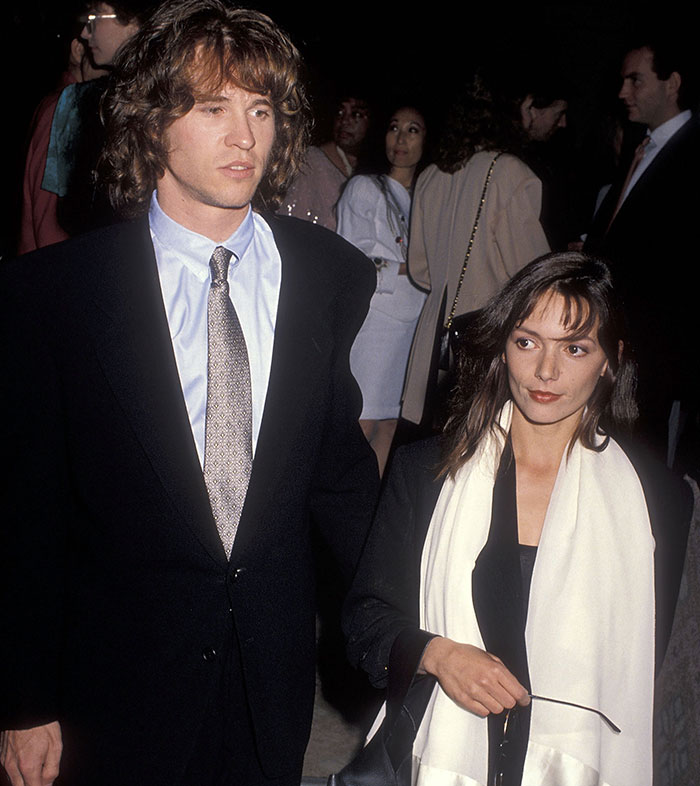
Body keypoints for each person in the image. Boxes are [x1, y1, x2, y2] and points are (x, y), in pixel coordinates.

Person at [0, 1, 379, 785]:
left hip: (269, 684)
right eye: (213, 108)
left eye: (261, 109)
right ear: (150, 121)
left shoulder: (330, 275)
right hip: (118, 686)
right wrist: (24, 701)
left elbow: (339, 480)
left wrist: (414, 627)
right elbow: (28, 513)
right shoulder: (55, 295)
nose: (245, 136)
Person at [344, 252, 692, 786]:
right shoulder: (428, 471)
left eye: (574, 348)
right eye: (527, 342)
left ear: (611, 360)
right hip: (446, 753)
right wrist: (438, 654)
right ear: (502, 348)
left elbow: (663, 677)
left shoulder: (658, 502)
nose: (546, 371)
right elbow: (365, 621)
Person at [401, 76, 550, 428]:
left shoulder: (431, 176)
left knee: (430, 442)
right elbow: (535, 272)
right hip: (488, 335)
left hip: (434, 337)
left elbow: (420, 269)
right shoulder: (509, 172)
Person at [584, 35, 700, 477]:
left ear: (673, 83)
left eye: (635, 80)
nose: (622, 92)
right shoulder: (643, 147)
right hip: (618, 341)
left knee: (644, 469)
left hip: (657, 353)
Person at [337, 106, 428, 475]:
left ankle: (374, 504)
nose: (401, 138)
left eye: (413, 129)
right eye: (394, 127)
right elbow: (352, 258)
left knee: (390, 424)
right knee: (361, 421)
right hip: (376, 320)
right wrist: (414, 267)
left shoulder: (431, 196)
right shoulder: (364, 187)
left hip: (414, 322)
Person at [278, 94, 371, 230]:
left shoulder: (373, 173)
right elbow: (291, 222)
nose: (344, 121)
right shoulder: (312, 161)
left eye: (356, 114)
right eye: (340, 112)